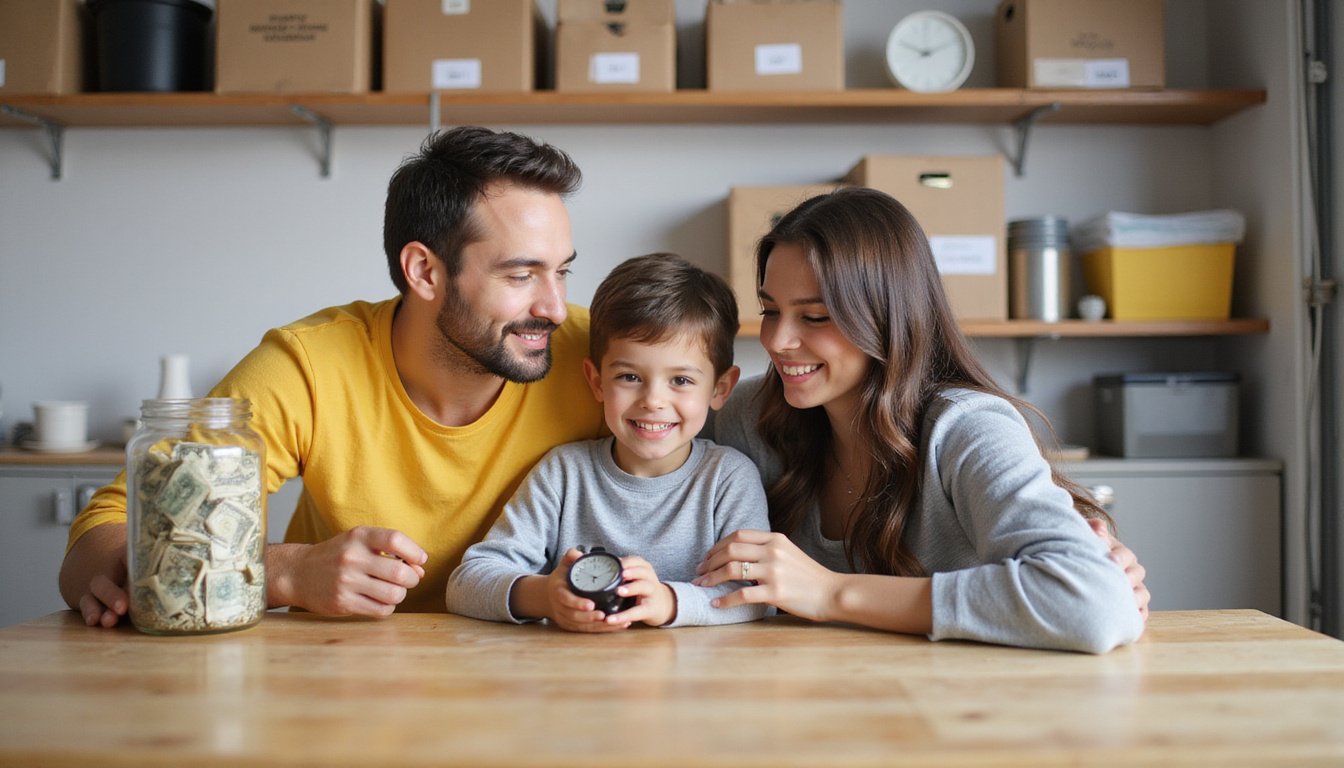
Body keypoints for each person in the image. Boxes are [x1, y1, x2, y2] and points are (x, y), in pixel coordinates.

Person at [59, 126, 607, 625]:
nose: (556, 308)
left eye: (562, 271)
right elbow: (106, 528)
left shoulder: (602, 359)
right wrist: (285, 572)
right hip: (334, 678)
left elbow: (696, 448)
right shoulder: (308, 367)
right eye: (521, 275)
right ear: (424, 271)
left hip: (534, 674)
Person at [692, 187, 1149, 653]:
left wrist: (832, 593)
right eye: (770, 311)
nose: (777, 340)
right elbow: (624, 437)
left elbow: (1094, 607)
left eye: (815, 316)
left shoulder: (966, 428)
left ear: (888, 318)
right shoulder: (752, 412)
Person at [447, 254, 768, 631]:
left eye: (681, 381)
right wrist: (547, 596)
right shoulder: (564, 473)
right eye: (630, 377)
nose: (653, 401)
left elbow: (756, 596)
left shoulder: (728, 479)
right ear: (597, 381)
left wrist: (668, 602)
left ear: (720, 388)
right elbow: (466, 583)